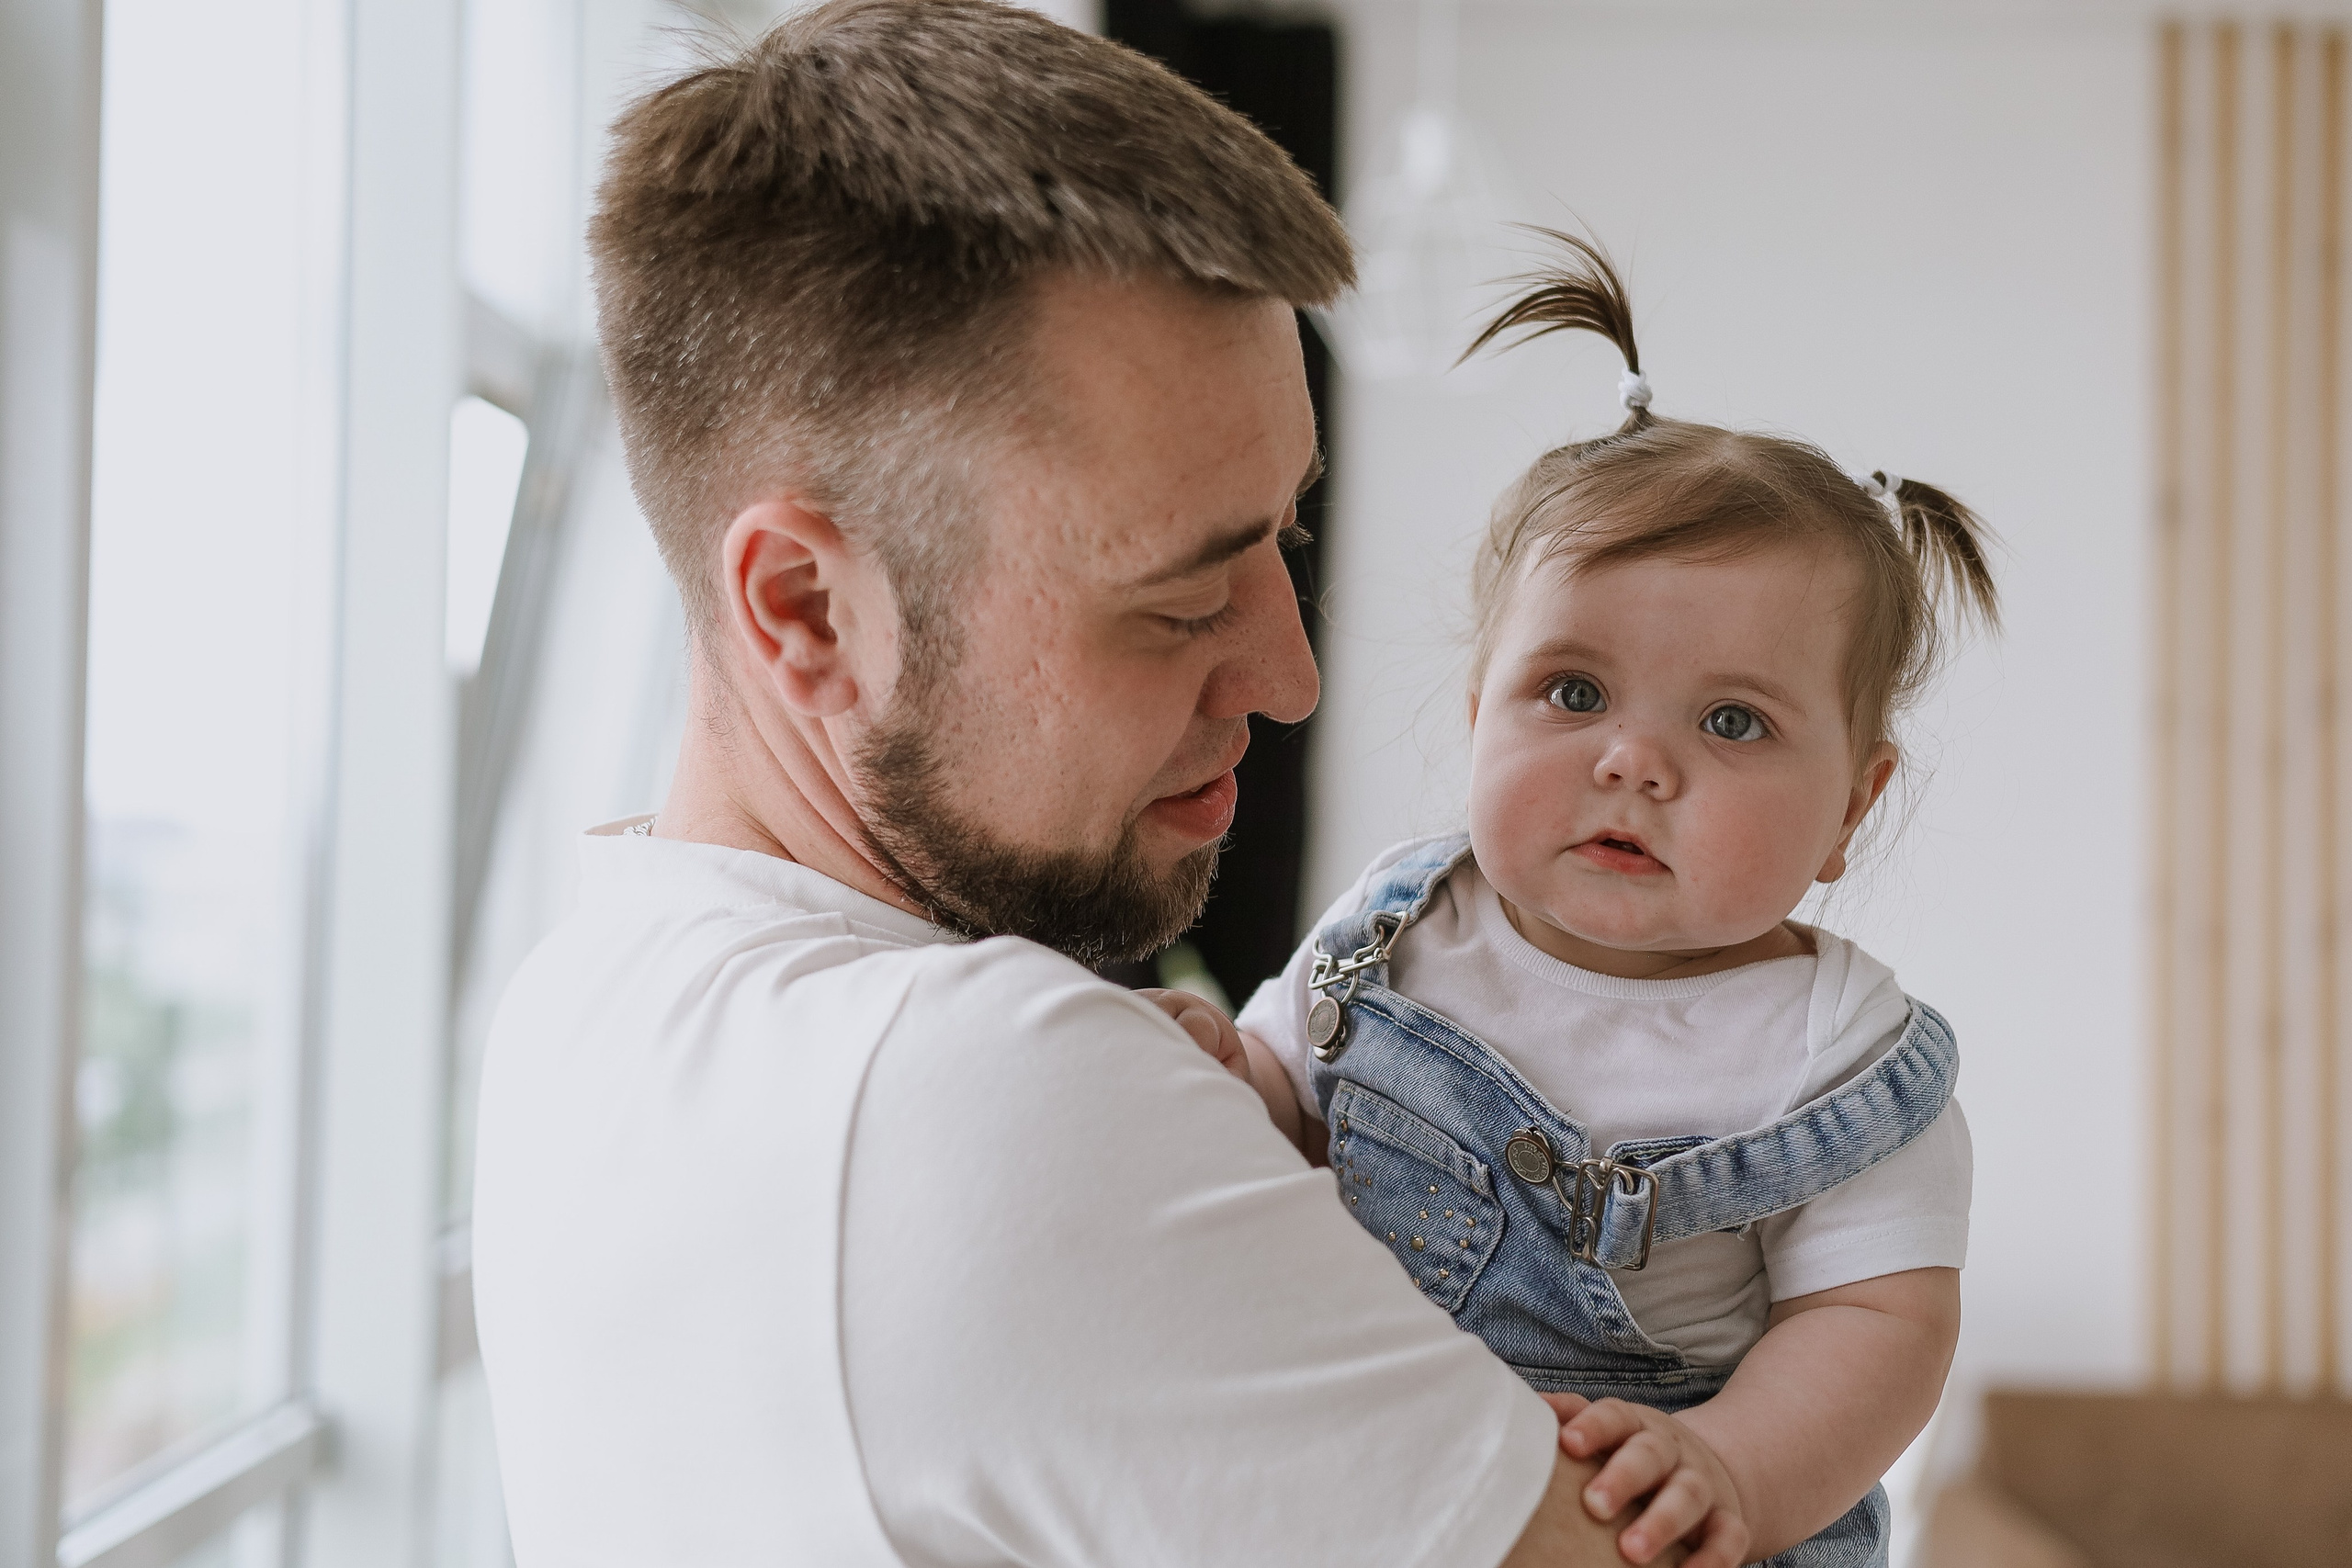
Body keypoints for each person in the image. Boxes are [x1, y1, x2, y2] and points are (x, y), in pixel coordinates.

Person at [471, 6, 1665, 1565]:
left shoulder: (583, 1001)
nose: (1287, 679)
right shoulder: (979, 1094)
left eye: (1285, 536)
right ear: (808, 610)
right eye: (1182, 600)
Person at [1148, 235, 1992, 1567]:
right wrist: (1217, 1074)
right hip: (1387, 1483)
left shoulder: (1837, 1055)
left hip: (1668, 1526)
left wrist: (1731, 1468)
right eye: (1575, 692)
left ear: (1851, 808)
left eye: (1732, 720)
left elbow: (1879, 1330)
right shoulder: (1398, 928)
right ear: (1479, 713)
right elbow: (1296, 1113)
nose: (1634, 761)